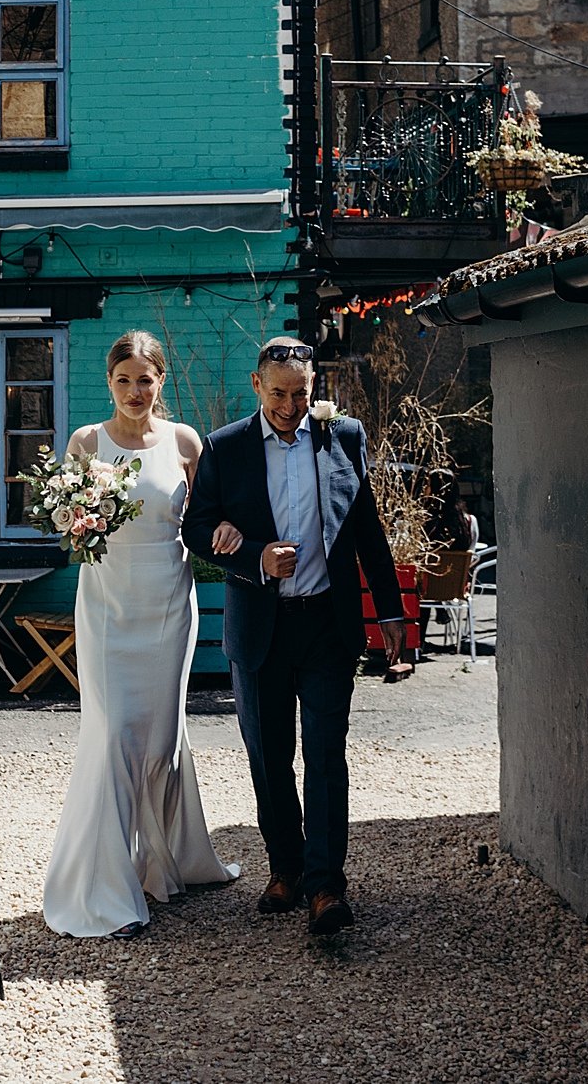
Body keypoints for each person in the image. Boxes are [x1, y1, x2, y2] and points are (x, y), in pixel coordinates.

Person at [180, 337, 410, 935]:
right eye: (278, 393)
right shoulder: (225, 448)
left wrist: (390, 613)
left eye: (301, 393)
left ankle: (325, 887)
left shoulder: (344, 437)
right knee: (270, 758)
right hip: (260, 629)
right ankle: (284, 868)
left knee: (327, 757)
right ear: (257, 386)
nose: (289, 405)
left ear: (315, 389)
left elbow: (367, 530)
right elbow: (196, 529)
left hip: (327, 627)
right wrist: (254, 554)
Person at [40, 332, 240, 937]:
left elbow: (206, 518)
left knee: (160, 737)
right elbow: (63, 524)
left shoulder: (184, 442)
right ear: (109, 382)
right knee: (113, 734)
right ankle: (104, 889)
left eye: (145, 380)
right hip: (106, 606)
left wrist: (230, 531)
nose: (134, 391)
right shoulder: (85, 442)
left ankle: (162, 862)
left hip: (169, 607)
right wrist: (75, 515)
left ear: (161, 381)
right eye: (123, 380)